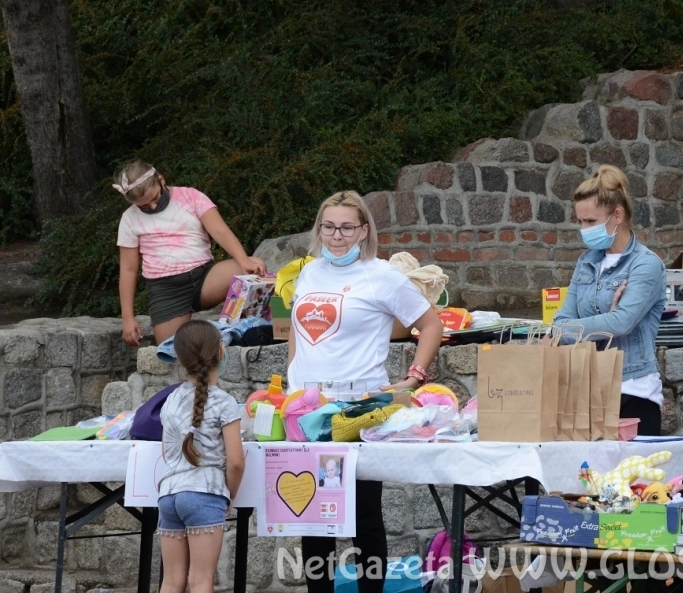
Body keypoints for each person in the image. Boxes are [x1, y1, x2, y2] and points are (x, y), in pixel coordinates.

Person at [287, 189, 443, 593]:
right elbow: (296, 332)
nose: (336, 236)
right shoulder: (309, 272)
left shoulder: (382, 275)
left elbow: (431, 325)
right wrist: (292, 375)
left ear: (363, 230)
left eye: (346, 227)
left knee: (362, 516)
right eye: (329, 226)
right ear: (319, 229)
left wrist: (413, 378)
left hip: (358, 408)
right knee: (314, 518)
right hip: (306, 409)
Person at [552, 165, 666, 436]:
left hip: (633, 391)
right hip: (589, 391)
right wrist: (607, 321)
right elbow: (558, 324)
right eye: (580, 221)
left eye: (590, 221)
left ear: (617, 215)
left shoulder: (645, 264)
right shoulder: (587, 262)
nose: (583, 229)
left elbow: (623, 322)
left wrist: (585, 327)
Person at [114, 160, 267, 346]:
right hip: (167, 290)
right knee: (170, 348)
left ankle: (245, 330)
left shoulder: (191, 196)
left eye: (155, 199)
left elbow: (220, 232)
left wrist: (243, 260)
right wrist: (127, 318)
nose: (153, 207)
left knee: (253, 269)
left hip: (204, 277)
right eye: (144, 206)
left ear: (161, 180)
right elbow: (129, 270)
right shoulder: (129, 219)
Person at [157, 320, 245, 593]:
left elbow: (166, 451)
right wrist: (230, 494)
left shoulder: (170, 400)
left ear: (180, 359)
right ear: (221, 351)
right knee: (201, 581)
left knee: (170, 582)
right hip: (204, 494)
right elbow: (236, 461)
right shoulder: (224, 402)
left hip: (169, 495)